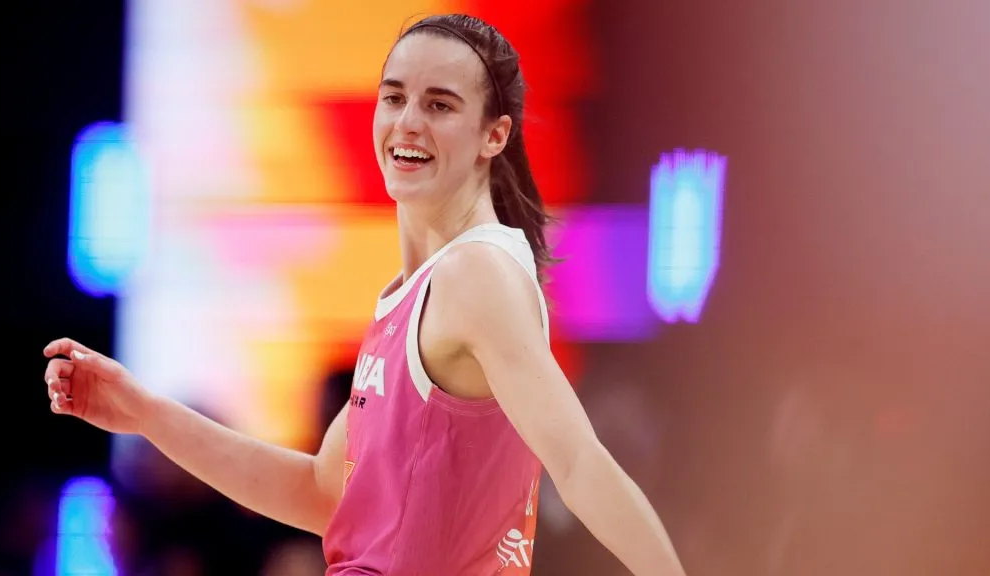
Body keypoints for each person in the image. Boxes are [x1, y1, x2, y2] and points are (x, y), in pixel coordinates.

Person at [43, 13, 686, 576]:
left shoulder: (475, 275)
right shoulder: (417, 290)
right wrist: (144, 413)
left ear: (495, 135)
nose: (407, 122)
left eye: (439, 104)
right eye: (395, 97)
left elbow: (577, 463)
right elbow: (323, 495)